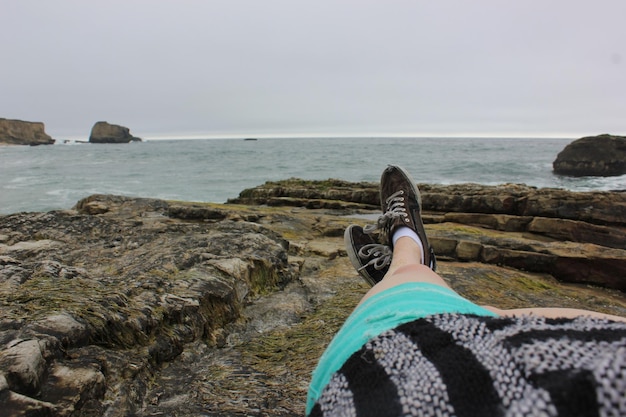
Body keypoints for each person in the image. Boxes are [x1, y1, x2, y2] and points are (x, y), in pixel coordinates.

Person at [306, 165, 626, 417]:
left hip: (368, 392)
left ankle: (407, 255)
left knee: (425, 292)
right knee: (490, 319)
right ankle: (410, 262)